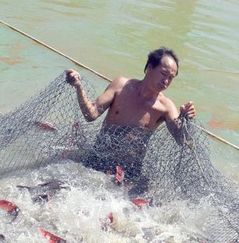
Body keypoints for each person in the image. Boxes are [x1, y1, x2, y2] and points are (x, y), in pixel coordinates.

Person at [65, 47, 196, 193]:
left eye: (171, 78)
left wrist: (185, 119)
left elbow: (183, 141)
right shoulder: (121, 85)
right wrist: (78, 87)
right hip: (97, 161)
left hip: (129, 174)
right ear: (150, 67)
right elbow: (91, 114)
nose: (166, 81)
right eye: (163, 74)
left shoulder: (166, 107)